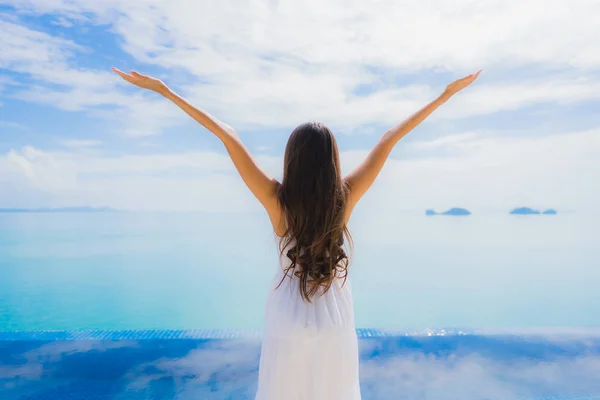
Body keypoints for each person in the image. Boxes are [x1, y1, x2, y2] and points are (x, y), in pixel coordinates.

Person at [113, 66, 481, 399]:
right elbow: (389, 138)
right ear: (332, 161)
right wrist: (444, 96)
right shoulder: (345, 199)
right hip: (334, 318)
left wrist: (166, 91)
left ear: (292, 159)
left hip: (287, 314)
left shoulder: (277, 201)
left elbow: (227, 135)